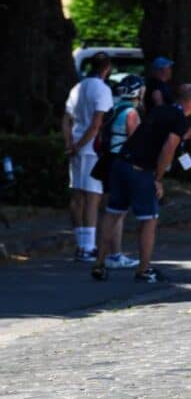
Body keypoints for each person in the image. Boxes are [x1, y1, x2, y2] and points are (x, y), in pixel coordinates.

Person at [91, 83, 191, 283]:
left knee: (113, 213)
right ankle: (143, 269)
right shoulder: (179, 119)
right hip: (141, 171)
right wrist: (158, 179)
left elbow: (152, 135)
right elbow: (168, 149)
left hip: (120, 163)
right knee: (149, 219)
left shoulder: (159, 111)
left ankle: (99, 263)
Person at [63, 51, 113, 262]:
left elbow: (66, 119)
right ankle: (89, 247)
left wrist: (70, 144)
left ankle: (80, 245)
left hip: (75, 147)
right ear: (107, 68)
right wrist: (81, 145)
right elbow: (96, 124)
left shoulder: (77, 87)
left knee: (77, 197)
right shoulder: (102, 89)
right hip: (92, 149)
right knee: (93, 196)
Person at [99, 75, 144, 269]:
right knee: (118, 212)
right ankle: (115, 255)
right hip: (123, 163)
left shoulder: (114, 109)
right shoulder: (132, 113)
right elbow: (136, 143)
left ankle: (108, 254)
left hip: (109, 161)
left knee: (112, 211)